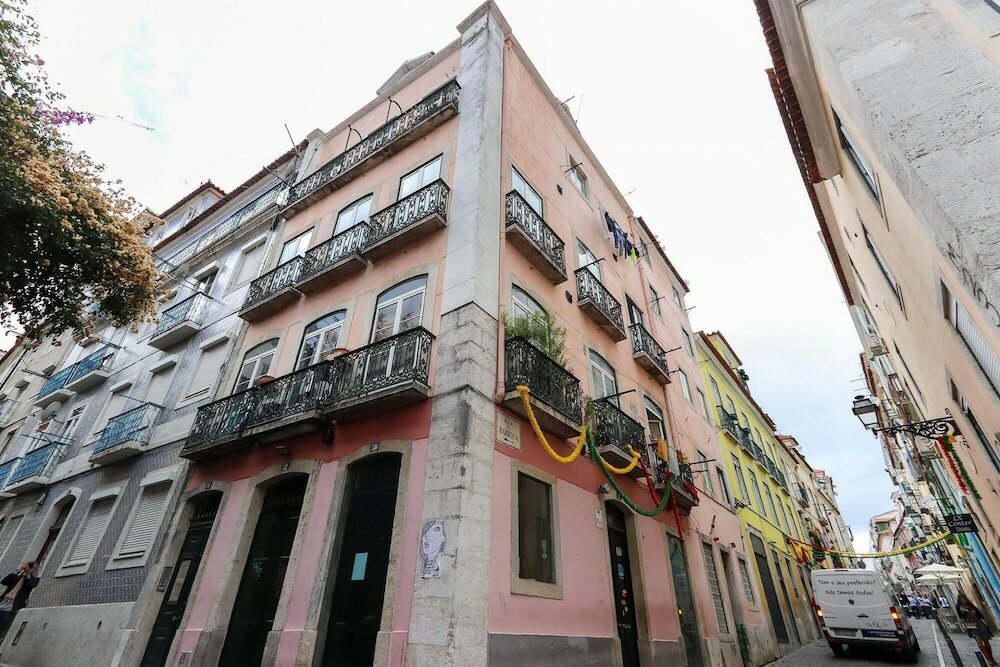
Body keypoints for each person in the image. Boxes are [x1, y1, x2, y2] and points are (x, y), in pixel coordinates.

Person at [957, 592, 998, 666]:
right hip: (971, 626)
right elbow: (960, 616)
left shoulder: (971, 605)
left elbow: (979, 614)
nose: (963, 600)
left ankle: (991, 658)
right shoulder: (959, 607)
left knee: (986, 642)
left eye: (963, 599)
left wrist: (974, 612)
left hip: (980, 624)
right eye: (961, 599)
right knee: (979, 643)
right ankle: (988, 660)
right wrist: (965, 612)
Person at [0, 562, 39, 639]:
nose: (32, 569)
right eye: (31, 567)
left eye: (34, 568)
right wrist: (18, 570)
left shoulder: (34, 579)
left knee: (3, 627)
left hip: (13, 608)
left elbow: (32, 584)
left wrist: (28, 574)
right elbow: (4, 581)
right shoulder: (17, 575)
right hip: (2, 603)